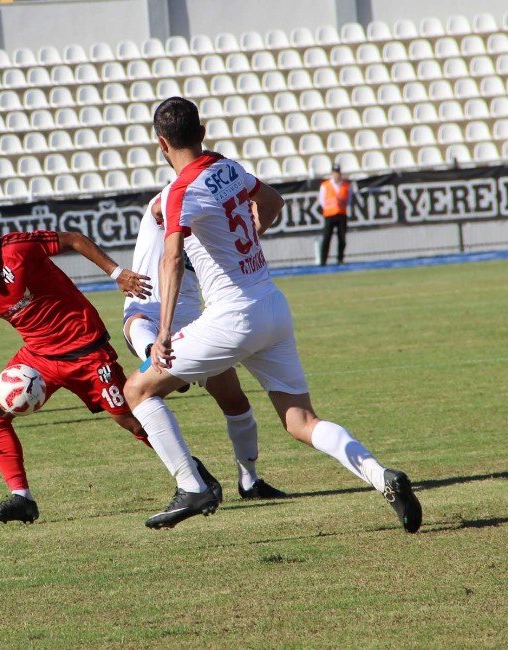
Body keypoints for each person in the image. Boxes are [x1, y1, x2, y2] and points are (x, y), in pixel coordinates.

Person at [123, 97, 422, 534]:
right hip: (272, 306)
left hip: (232, 317)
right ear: (202, 132)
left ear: (161, 144)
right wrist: (252, 236)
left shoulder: (180, 191)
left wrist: (165, 330)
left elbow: (170, 261)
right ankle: (382, 477)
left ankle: (193, 486)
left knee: (137, 389)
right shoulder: (227, 167)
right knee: (301, 420)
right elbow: (273, 200)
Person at [0, 218, 156, 524]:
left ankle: (193, 474)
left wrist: (117, 273)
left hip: (84, 347)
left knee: (131, 421)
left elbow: (73, 239)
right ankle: (22, 499)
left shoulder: (17, 248)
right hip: (39, 354)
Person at [123, 193, 287, 500]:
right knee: (138, 324)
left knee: (236, 403)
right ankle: (155, 359)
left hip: (190, 319)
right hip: (148, 305)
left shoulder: (210, 231)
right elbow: (161, 207)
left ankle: (250, 481)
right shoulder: (175, 198)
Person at [318, 163, 351, 266]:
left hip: (341, 214)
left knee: (342, 238)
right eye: (335, 172)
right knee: (327, 238)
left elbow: (349, 199)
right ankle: (323, 261)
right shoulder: (325, 185)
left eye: (338, 172)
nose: (337, 175)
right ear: (332, 173)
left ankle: (340, 259)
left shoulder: (346, 185)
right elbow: (321, 200)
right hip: (329, 214)